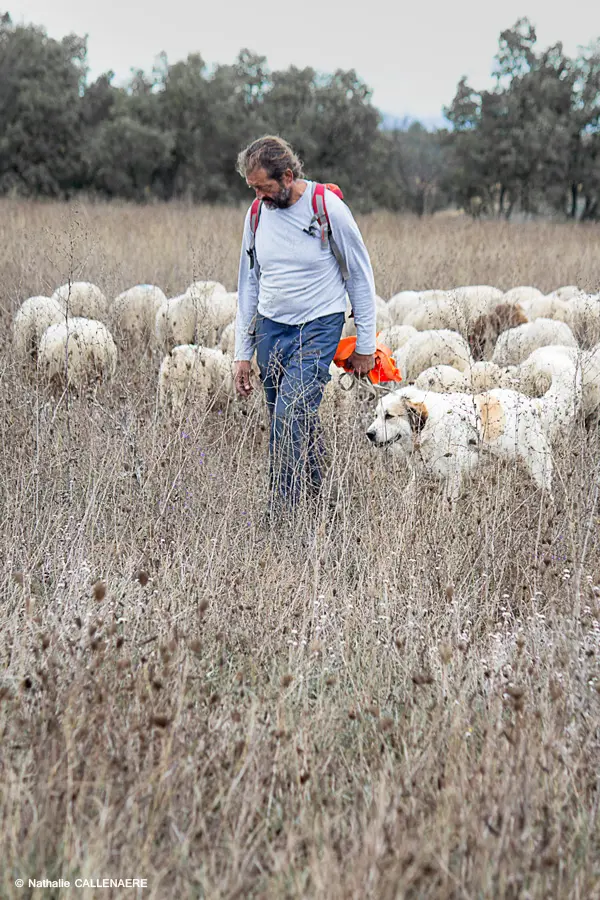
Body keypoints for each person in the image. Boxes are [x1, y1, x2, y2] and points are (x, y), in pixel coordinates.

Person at [233, 135, 377, 517]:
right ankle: (320, 496)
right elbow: (249, 282)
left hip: (318, 326)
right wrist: (241, 353)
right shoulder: (256, 214)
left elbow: (359, 275)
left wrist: (365, 344)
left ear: (287, 176)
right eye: (253, 188)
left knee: (290, 413)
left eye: (264, 187)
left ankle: (282, 513)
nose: (259, 195)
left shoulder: (326, 207)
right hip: (270, 327)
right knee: (288, 417)